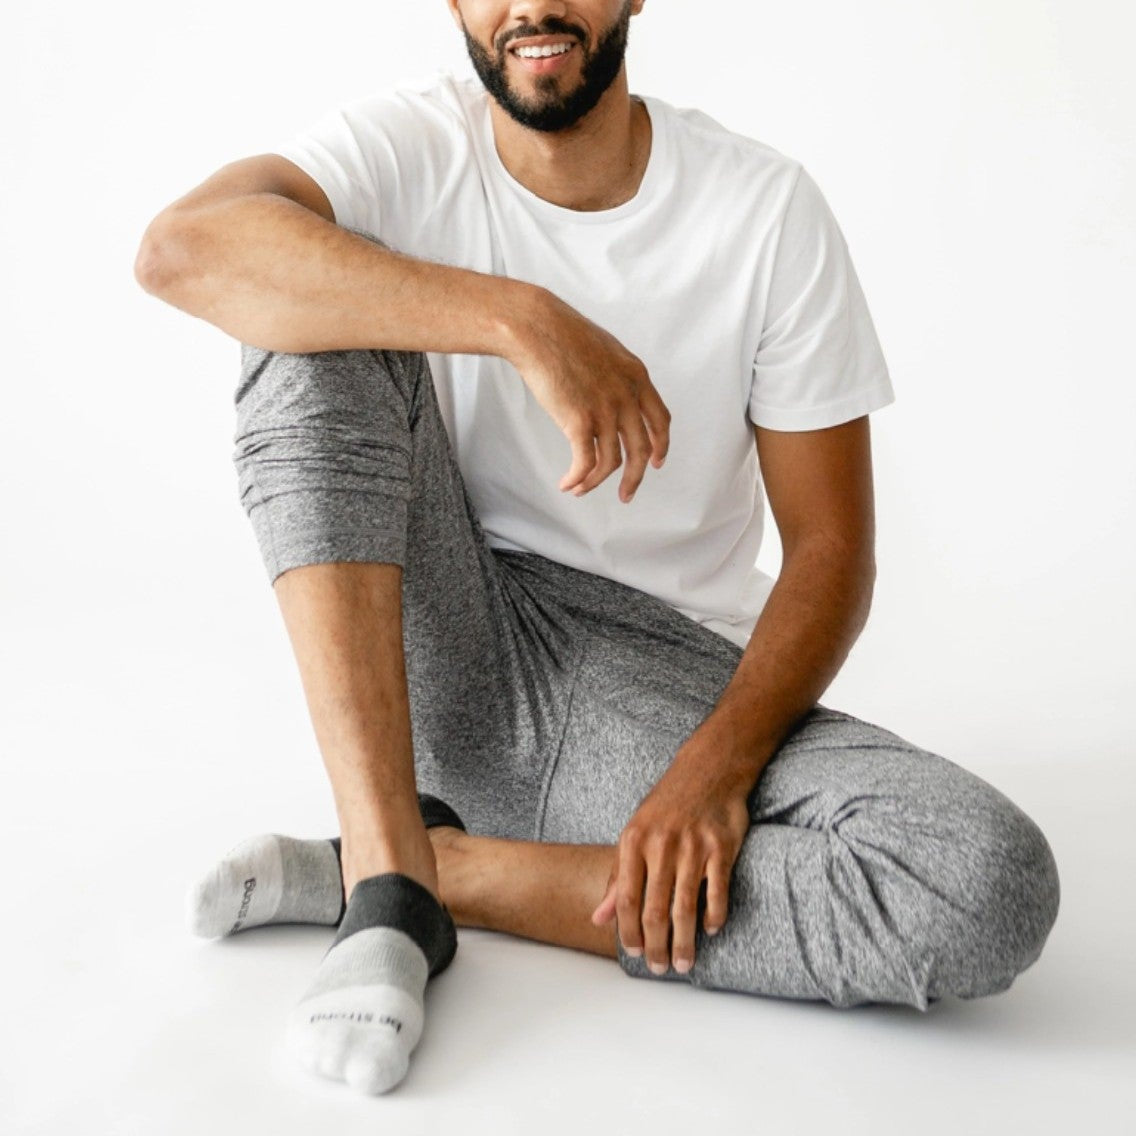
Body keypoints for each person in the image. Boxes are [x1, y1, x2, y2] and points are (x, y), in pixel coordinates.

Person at [135, 0, 1061, 1097]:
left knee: (983, 879)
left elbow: (829, 551)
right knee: (299, 300)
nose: (533, 6)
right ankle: (390, 871)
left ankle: (426, 869)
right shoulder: (408, 145)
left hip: (660, 689)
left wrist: (709, 773)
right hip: (452, 638)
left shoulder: (762, 209)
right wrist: (522, 319)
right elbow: (181, 247)